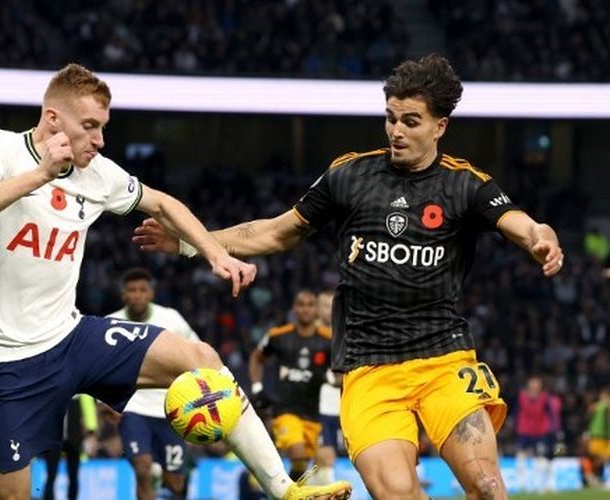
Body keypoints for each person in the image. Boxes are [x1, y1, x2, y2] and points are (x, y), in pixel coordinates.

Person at [133, 53, 565, 499]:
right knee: (398, 494)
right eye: (391, 118)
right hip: (368, 368)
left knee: (489, 487)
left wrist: (541, 239)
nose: (397, 131)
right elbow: (276, 233)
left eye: (411, 121)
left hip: (445, 360)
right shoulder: (349, 175)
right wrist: (192, 240)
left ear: (440, 126)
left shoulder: (465, 185)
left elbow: (525, 224)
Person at [0, 63, 351, 500]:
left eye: (103, 127)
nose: (99, 140)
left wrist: (215, 254)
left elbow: (163, 204)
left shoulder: (97, 172)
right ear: (52, 118)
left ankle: (284, 489)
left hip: (70, 338)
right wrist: (41, 174)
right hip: (6, 362)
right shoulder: (3, 148)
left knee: (202, 358)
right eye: (90, 126)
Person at [110, 267, 198, 500]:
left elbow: (196, 353)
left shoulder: (171, 319)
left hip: (172, 410)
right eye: (131, 290)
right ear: (123, 295)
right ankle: (152, 474)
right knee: (142, 467)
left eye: (142, 290)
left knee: (175, 484)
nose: (137, 294)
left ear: (151, 293)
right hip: (133, 409)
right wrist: (105, 402)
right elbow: (97, 369)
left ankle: (161, 474)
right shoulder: (110, 325)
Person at [249, 290, 332, 481]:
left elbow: (339, 369)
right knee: (298, 453)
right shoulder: (279, 335)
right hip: (284, 410)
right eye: (301, 305)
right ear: (294, 309)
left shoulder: (328, 340)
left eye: (310, 304)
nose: (305, 309)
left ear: (317, 310)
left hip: (312, 414)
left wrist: (335, 380)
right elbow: (256, 357)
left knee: (304, 465)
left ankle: (284, 493)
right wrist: (257, 388)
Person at [312, 290, 344, 486]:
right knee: (325, 453)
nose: (329, 309)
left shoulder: (344, 332)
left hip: (344, 402)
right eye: (324, 305)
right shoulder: (311, 335)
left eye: (332, 304)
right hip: (320, 404)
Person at [41, 394, 97, 500]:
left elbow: (88, 408)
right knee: (51, 474)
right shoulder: (53, 396)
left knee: (73, 475)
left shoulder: (78, 396)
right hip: (54, 440)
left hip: (73, 440)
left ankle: (72, 498)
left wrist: (90, 431)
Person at [514, 376, 556, 492]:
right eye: (532, 385)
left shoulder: (544, 398)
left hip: (540, 431)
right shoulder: (521, 397)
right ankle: (522, 484)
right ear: (528, 387)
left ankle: (540, 484)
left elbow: (551, 414)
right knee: (521, 456)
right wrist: (515, 427)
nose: (534, 388)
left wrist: (553, 429)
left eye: (536, 386)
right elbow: (516, 413)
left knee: (541, 457)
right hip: (525, 431)